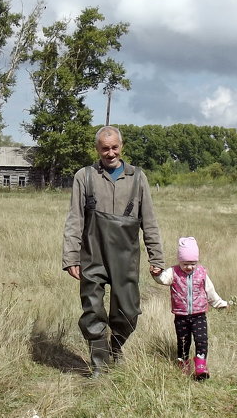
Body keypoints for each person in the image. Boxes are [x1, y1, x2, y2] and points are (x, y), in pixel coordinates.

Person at [63, 126, 165, 375]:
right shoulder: (84, 176)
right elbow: (75, 218)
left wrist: (157, 256)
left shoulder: (138, 177)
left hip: (126, 257)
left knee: (128, 311)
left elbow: (149, 220)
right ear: (97, 149)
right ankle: (99, 364)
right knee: (92, 309)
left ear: (122, 146)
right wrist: (70, 256)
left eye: (114, 147)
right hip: (92, 254)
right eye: (105, 148)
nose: (110, 153)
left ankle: (116, 346)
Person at [153, 236, 228, 381]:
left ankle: (201, 366)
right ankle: (183, 364)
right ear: (179, 261)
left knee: (201, 339)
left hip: (199, 315)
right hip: (181, 316)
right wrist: (156, 274)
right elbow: (163, 279)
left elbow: (210, 291)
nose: (189, 267)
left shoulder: (201, 273)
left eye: (193, 263)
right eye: (185, 263)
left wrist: (219, 303)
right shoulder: (173, 272)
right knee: (183, 341)